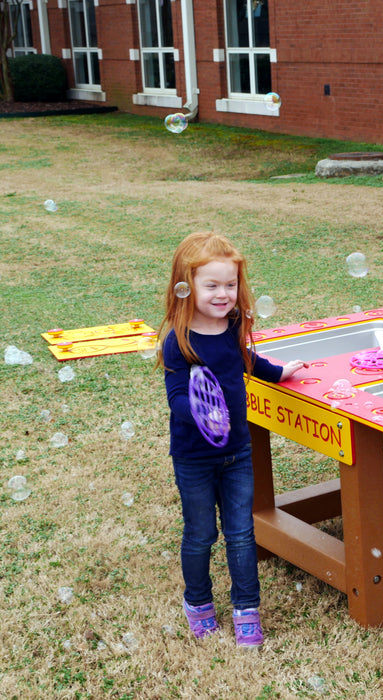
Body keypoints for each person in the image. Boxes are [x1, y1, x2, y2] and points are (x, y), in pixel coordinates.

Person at [157, 231, 306, 647]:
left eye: (230, 283)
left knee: (242, 533)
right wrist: (204, 416)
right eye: (212, 285)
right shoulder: (179, 340)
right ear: (185, 288)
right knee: (201, 533)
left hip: (238, 452)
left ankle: (246, 610)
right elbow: (176, 398)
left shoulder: (233, 324)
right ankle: (198, 602)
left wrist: (280, 372)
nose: (224, 294)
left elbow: (247, 360)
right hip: (195, 457)